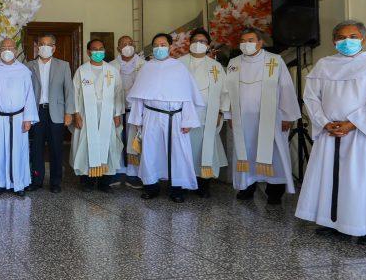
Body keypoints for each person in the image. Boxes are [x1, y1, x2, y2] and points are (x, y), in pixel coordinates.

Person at [295, 20, 366, 245]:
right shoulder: (324, 65)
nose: (347, 41)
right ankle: (335, 222)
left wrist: (352, 123)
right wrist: (324, 122)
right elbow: (311, 97)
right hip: (330, 132)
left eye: (353, 37)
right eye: (342, 38)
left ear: (364, 39)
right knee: (333, 179)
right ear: (334, 41)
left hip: (362, 133)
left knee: (363, 180)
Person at [223, 28, 300, 205]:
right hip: (242, 119)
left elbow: (286, 88)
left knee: (274, 153)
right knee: (246, 152)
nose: (246, 44)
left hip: (271, 119)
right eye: (243, 40)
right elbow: (227, 92)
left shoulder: (274, 61)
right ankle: (246, 187)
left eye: (250, 40)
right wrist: (229, 115)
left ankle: (274, 192)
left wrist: (288, 116)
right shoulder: (234, 63)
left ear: (260, 42)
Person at [127, 33, 204, 202]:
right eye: (156, 45)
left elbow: (187, 97)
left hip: (175, 118)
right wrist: (139, 120)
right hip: (151, 116)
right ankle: (151, 186)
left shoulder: (179, 67)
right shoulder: (146, 68)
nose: (159, 48)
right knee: (150, 152)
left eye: (163, 44)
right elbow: (140, 96)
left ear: (170, 47)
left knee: (177, 153)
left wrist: (188, 120)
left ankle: (176, 189)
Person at [68, 39, 124, 192]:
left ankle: (105, 182)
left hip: (108, 113)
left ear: (104, 51)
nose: (98, 52)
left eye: (101, 49)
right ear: (88, 52)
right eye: (94, 49)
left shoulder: (111, 70)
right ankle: (87, 181)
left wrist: (118, 113)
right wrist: (77, 114)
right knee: (86, 145)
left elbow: (118, 92)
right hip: (87, 114)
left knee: (108, 145)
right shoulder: (82, 70)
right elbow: (75, 93)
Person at [0, 38, 38, 196]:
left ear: (16, 51)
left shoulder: (23, 71)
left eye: (11, 47)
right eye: (4, 47)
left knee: (19, 151)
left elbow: (30, 96)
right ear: (0, 50)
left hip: (19, 118)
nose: (7, 50)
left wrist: (28, 118)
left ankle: (19, 183)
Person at [183, 28, 229, 197]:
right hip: (184, 114)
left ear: (208, 45)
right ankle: (184, 183)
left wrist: (220, 112)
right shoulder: (179, 63)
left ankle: (204, 185)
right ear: (189, 44)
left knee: (205, 149)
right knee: (185, 149)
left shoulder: (215, 66)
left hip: (207, 115)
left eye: (202, 41)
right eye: (195, 41)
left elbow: (224, 92)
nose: (198, 44)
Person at [26, 34, 74, 192]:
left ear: (54, 47)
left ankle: (55, 182)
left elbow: (69, 90)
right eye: (41, 44)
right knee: (36, 148)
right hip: (36, 111)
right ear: (37, 47)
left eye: (48, 44)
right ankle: (37, 179)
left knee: (56, 148)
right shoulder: (29, 65)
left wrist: (69, 112)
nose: (44, 47)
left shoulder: (63, 65)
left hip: (57, 112)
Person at [112, 35, 145, 188]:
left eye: (130, 43)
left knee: (135, 140)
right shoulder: (111, 66)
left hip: (136, 109)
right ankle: (117, 171)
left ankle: (134, 174)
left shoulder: (144, 65)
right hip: (116, 109)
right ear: (118, 48)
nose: (127, 46)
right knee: (117, 138)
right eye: (123, 44)